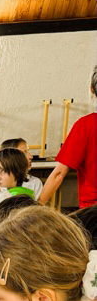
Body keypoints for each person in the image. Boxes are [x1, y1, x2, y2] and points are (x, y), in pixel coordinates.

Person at [40, 66, 97, 208]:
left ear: (91, 89)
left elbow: (59, 173)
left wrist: (37, 205)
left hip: (92, 211)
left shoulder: (85, 125)